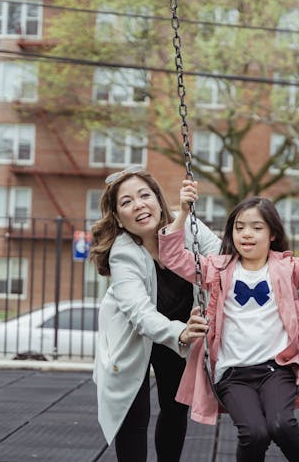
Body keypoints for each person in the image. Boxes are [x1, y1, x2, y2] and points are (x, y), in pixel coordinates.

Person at [158, 172, 299, 462]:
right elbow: (172, 257)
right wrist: (183, 213)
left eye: (256, 227)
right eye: (239, 227)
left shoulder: (287, 269)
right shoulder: (215, 270)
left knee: (282, 425)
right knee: (254, 433)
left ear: (271, 234)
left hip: (276, 370)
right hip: (233, 374)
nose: (246, 234)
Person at [89, 165, 221, 462]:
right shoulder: (124, 253)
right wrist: (181, 332)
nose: (138, 205)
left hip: (176, 336)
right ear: (118, 218)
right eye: (126, 202)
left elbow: (222, 259)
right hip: (133, 336)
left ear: (159, 200)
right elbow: (140, 312)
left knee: (175, 408)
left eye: (144, 195)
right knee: (133, 413)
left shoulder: (187, 227)